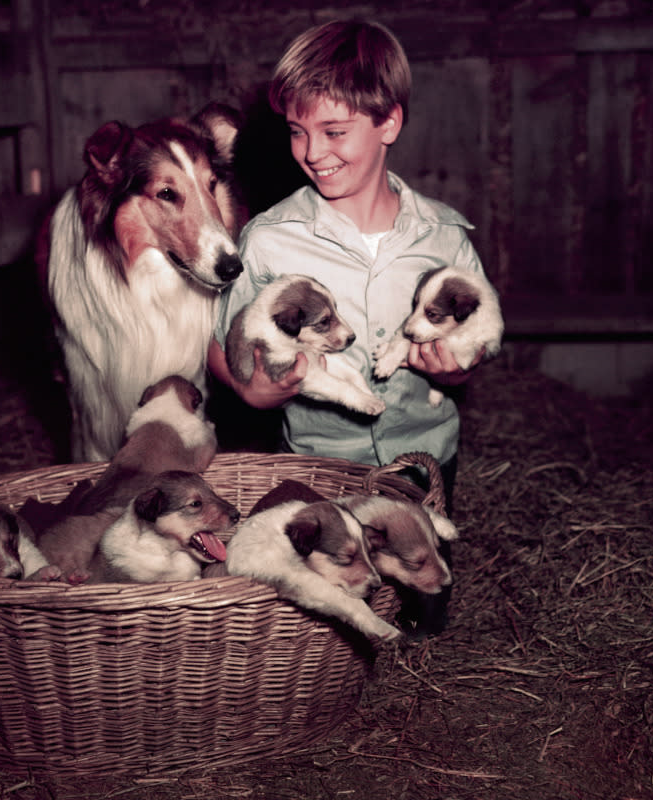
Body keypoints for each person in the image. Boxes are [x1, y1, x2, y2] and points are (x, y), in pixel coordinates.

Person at [207, 19, 491, 637]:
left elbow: (478, 334)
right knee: (323, 612)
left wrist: (461, 364)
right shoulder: (270, 239)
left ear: (388, 122)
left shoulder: (444, 236)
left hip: (425, 460)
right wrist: (250, 388)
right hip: (316, 461)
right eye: (297, 132)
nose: (313, 152)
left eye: (335, 132)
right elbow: (218, 341)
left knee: (424, 597)